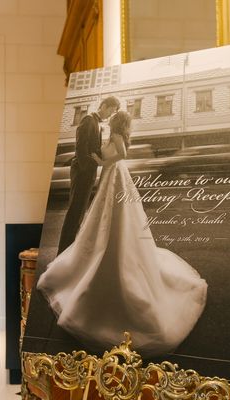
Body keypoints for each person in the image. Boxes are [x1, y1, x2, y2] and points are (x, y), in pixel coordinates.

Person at [38, 111, 208, 357]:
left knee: (114, 217)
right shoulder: (112, 133)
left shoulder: (117, 135)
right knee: (103, 216)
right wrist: (102, 160)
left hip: (115, 175)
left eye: (113, 117)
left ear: (117, 122)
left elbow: (122, 155)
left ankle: (111, 247)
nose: (110, 120)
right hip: (110, 177)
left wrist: (103, 160)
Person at [57, 96, 120, 254]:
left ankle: (68, 249)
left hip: (87, 173)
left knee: (79, 212)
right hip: (82, 173)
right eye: (111, 110)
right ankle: (63, 251)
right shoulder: (88, 120)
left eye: (113, 113)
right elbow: (80, 148)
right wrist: (88, 169)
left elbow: (93, 149)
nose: (110, 115)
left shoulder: (96, 123)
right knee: (75, 212)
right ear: (103, 105)